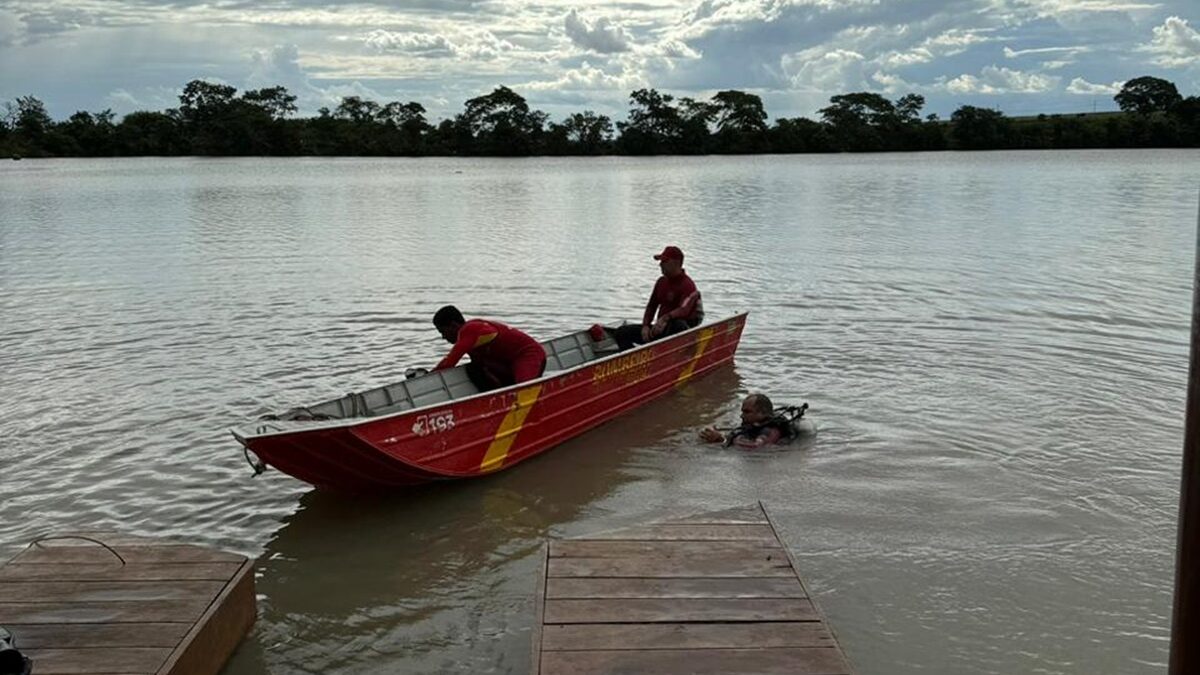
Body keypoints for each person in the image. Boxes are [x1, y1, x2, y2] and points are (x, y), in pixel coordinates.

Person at [431, 305, 547, 392]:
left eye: (443, 332)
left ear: (453, 325)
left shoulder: (470, 329)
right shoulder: (469, 341)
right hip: (508, 362)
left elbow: (449, 362)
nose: (443, 337)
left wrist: (429, 376)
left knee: (524, 390)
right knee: (474, 368)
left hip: (527, 354)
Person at [613, 245, 704, 350]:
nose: (660, 265)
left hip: (676, 333)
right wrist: (646, 326)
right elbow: (651, 306)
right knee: (621, 332)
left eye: (664, 261)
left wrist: (666, 318)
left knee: (678, 324)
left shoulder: (688, 285)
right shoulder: (661, 282)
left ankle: (668, 352)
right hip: (659, 330)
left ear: (676, 263)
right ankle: (636, 356)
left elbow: (684, 310)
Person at [700, 394, 804, 449]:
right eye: (742, 411)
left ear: (762, 413)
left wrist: (721, 439)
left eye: (747, 412)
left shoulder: (770, 430)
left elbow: (755, 447)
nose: (741, 416)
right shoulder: (756, 425)